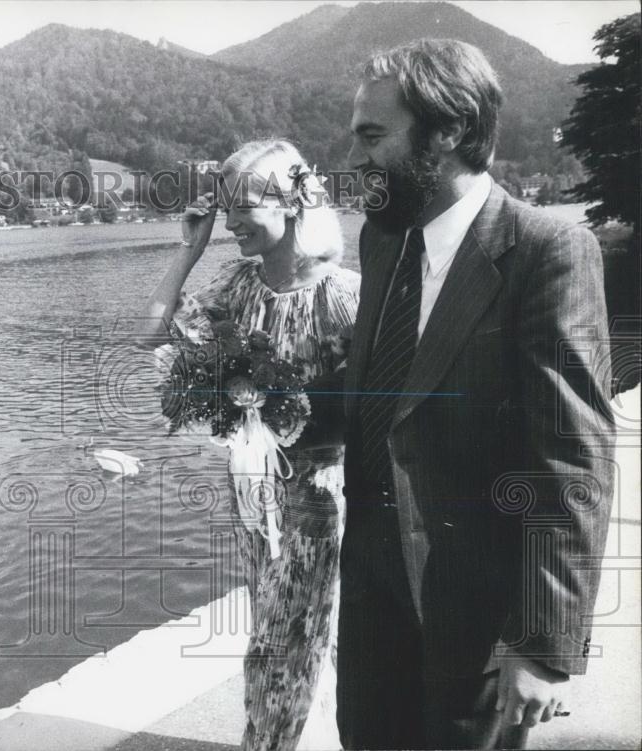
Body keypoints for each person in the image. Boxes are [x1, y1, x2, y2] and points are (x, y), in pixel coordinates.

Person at [339, 39, 615, 749]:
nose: (355, 156)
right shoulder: (381, 241)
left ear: (449, 131)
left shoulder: (546, 250)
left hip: (478, 619)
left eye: (373, 135)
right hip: (374, 604)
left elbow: (572, 457)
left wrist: (542, 643)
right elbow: (389, 403)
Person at [140, 139, 359, 751]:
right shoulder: (237, 286)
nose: (230, 221)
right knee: (295, 638)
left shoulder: (345, 295)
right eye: (224, 207)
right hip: (253, 498)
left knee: (279, 649)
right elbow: (151, 337)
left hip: (321, 502)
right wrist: (188, 250)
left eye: (242, 206)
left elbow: (378, 407)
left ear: (291, 204)